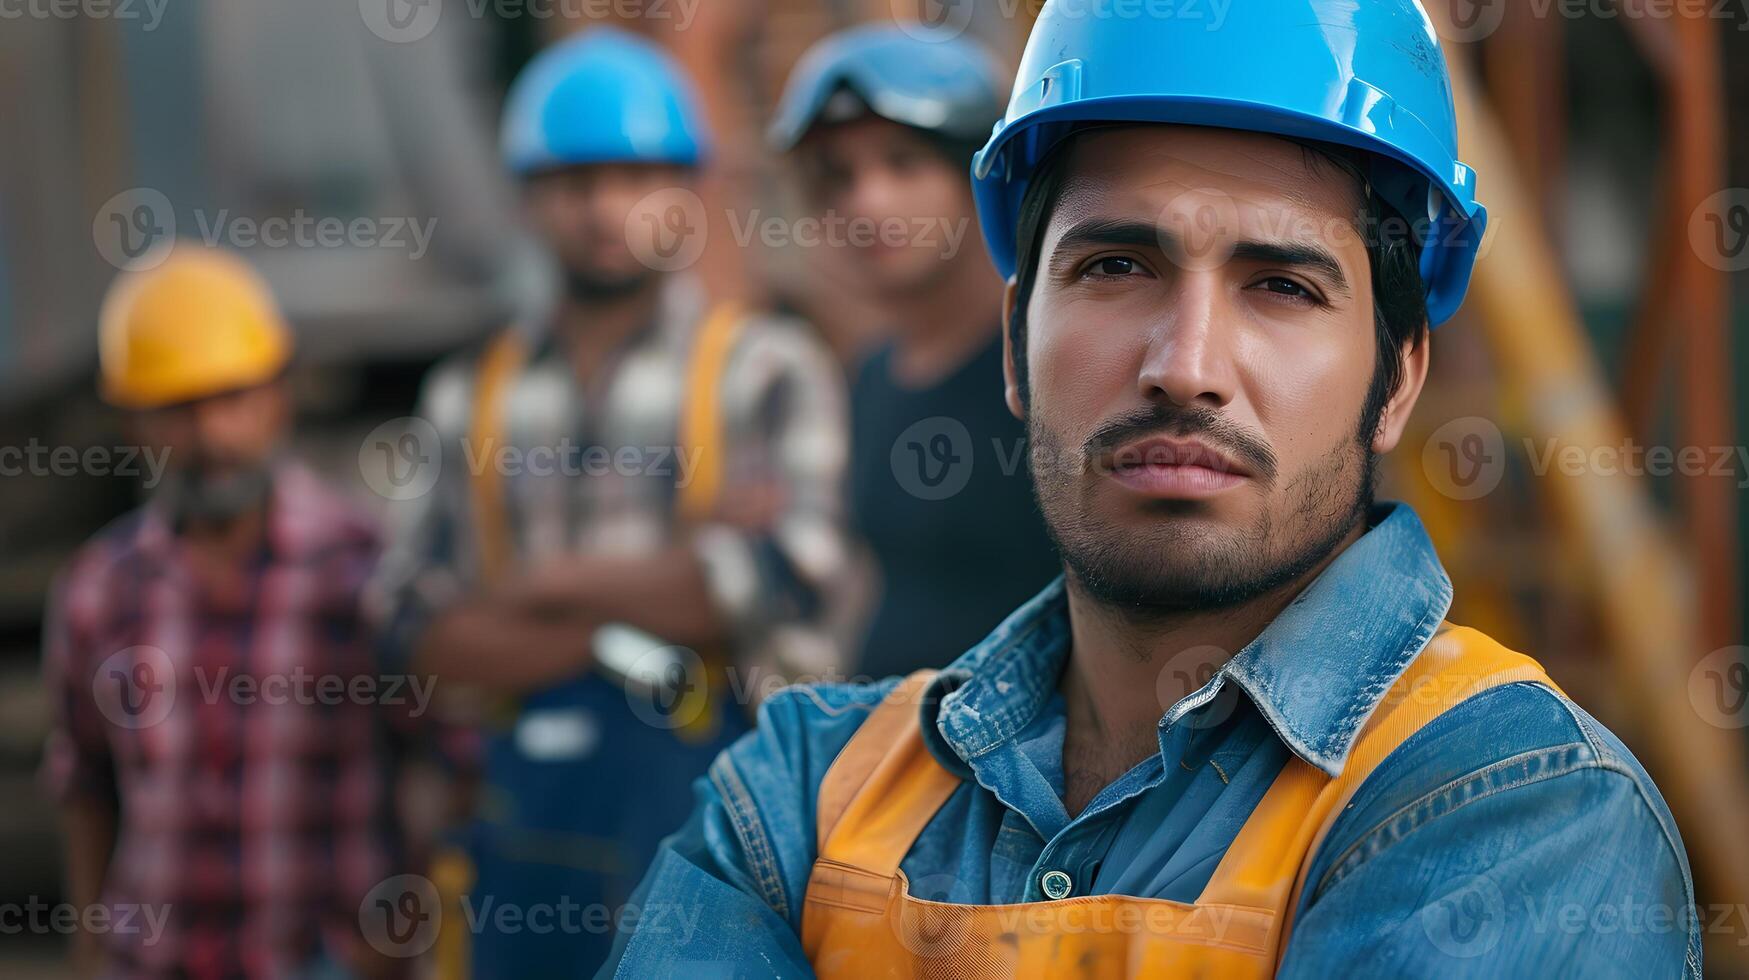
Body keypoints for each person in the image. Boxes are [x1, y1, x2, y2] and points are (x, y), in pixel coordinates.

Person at [602, 3, 1697, 977]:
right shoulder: (799, 795)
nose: (1186, 361)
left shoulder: (1514, 807)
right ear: (1015, 350)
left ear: (1398, 375)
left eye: (1281, 284)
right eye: (1118, 267)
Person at [368, 27, 855, 977]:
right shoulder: (469, 393)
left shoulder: (765, 370)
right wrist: (659, 595)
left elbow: (786, 580)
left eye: (635, 179)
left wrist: (540, 586)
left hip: (716, 812)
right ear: (529, 199)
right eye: (573, 182)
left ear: (684, 193)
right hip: (521, 830)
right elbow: (404, 627)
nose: (603, 209)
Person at [41, 245, 407, 978]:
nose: (212, 435)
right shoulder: (98, 591)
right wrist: (91, 951)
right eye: (178, 409)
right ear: (131, 422)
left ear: (277, 395)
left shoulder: (363, 571)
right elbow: (84, 790)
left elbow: (440, 769)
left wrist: (388, 947)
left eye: (232, 398)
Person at [770, 25, 1059, 678]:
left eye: (902, 162)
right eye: (837, 176)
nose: (865, 203)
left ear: (982, 176)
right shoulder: (872, 374)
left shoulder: (1048, 366)